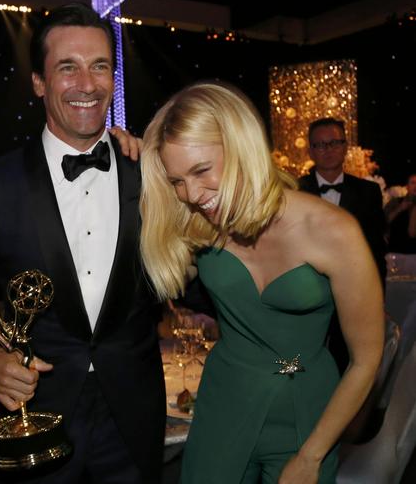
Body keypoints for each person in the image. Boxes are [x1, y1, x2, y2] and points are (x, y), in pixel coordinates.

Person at [140, 82, 383, 483]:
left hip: (308, 414)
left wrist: (312, 456)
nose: (192, 194)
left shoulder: (334, 230)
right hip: (225, 402)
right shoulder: (197, 224)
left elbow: (366, 359)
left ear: (240, 145)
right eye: (176, 181)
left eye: (201, 170)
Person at [0, 2, 165, 484]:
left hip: (133, 423)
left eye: (100, 67)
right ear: (38, 82)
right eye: (67, 68)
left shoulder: (155, 173)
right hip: (33, 422)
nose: (87, 83)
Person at [299, 117, 386, 374]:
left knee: (347, 363)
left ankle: (342, 411)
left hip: (353, 294)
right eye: (320, 145)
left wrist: (379, 301)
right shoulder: (294, 189)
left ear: (346, 146)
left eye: (334, 142)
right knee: (299, 363)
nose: (328, 149)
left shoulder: (368, 192)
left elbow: (376, 250)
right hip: (304, 293)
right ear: (311, 150)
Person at [384, 172, 416, 253]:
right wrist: (400, 208)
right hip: (395, 251)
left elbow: (412, 233)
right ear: (407, 186)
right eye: (413, 183)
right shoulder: (395, 202)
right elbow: (383, 222)